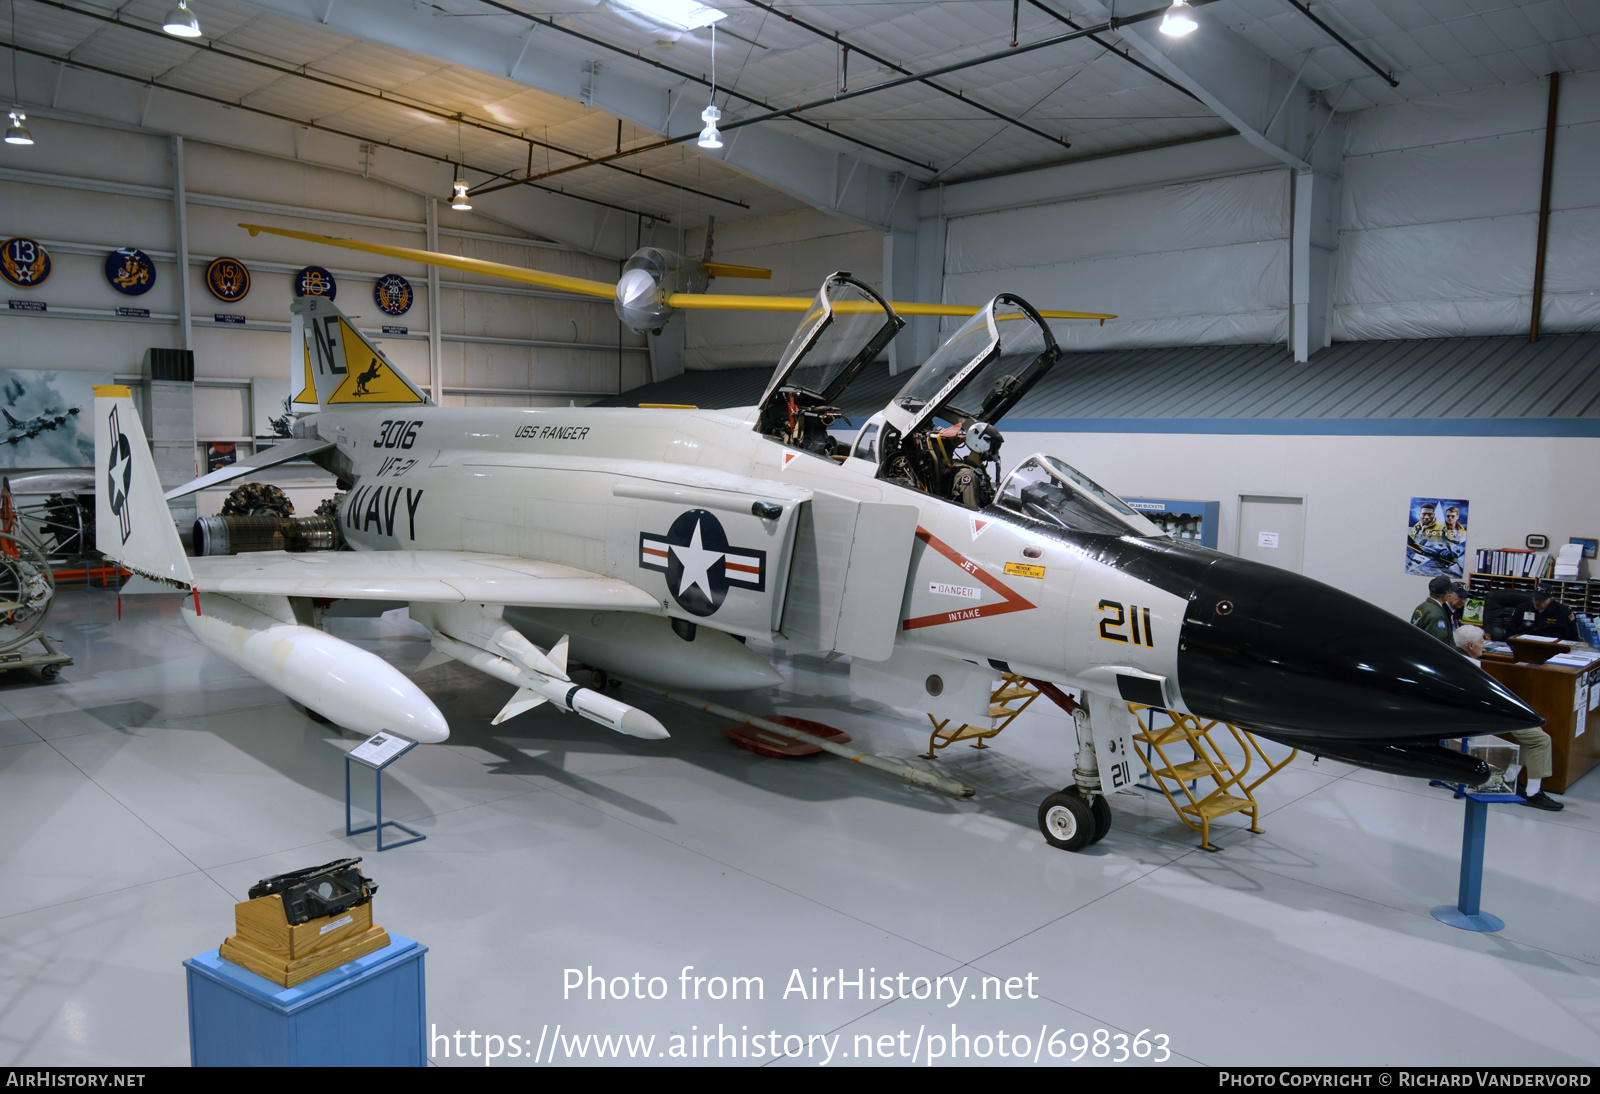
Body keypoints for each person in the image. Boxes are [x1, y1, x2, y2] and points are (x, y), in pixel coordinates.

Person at [1454, 624, 1564, 810]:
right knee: (1540, 739)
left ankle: (1510, 778)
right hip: (1483, 716)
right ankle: (1533, 793)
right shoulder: (1471, 666)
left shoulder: (1456, 659)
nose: (1485, 646)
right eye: (1482, 642)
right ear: (1471, 645)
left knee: (1530, 734)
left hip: (1484, 712)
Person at [1509, 582, 1578, 640]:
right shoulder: (1522, 608)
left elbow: (1573, 637)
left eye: (1541, 600)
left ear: (1550, 600)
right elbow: (1510, 630)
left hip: (1552, 649)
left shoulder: (1564, 612)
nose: (1537, 602)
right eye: (1535, 598)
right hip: (1523, 647)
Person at [1410, 576, 1465, 644]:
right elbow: (1439, 643)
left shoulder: (1422, 606)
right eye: (1450, 592)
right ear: (1446, 594)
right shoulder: (1437, 615)